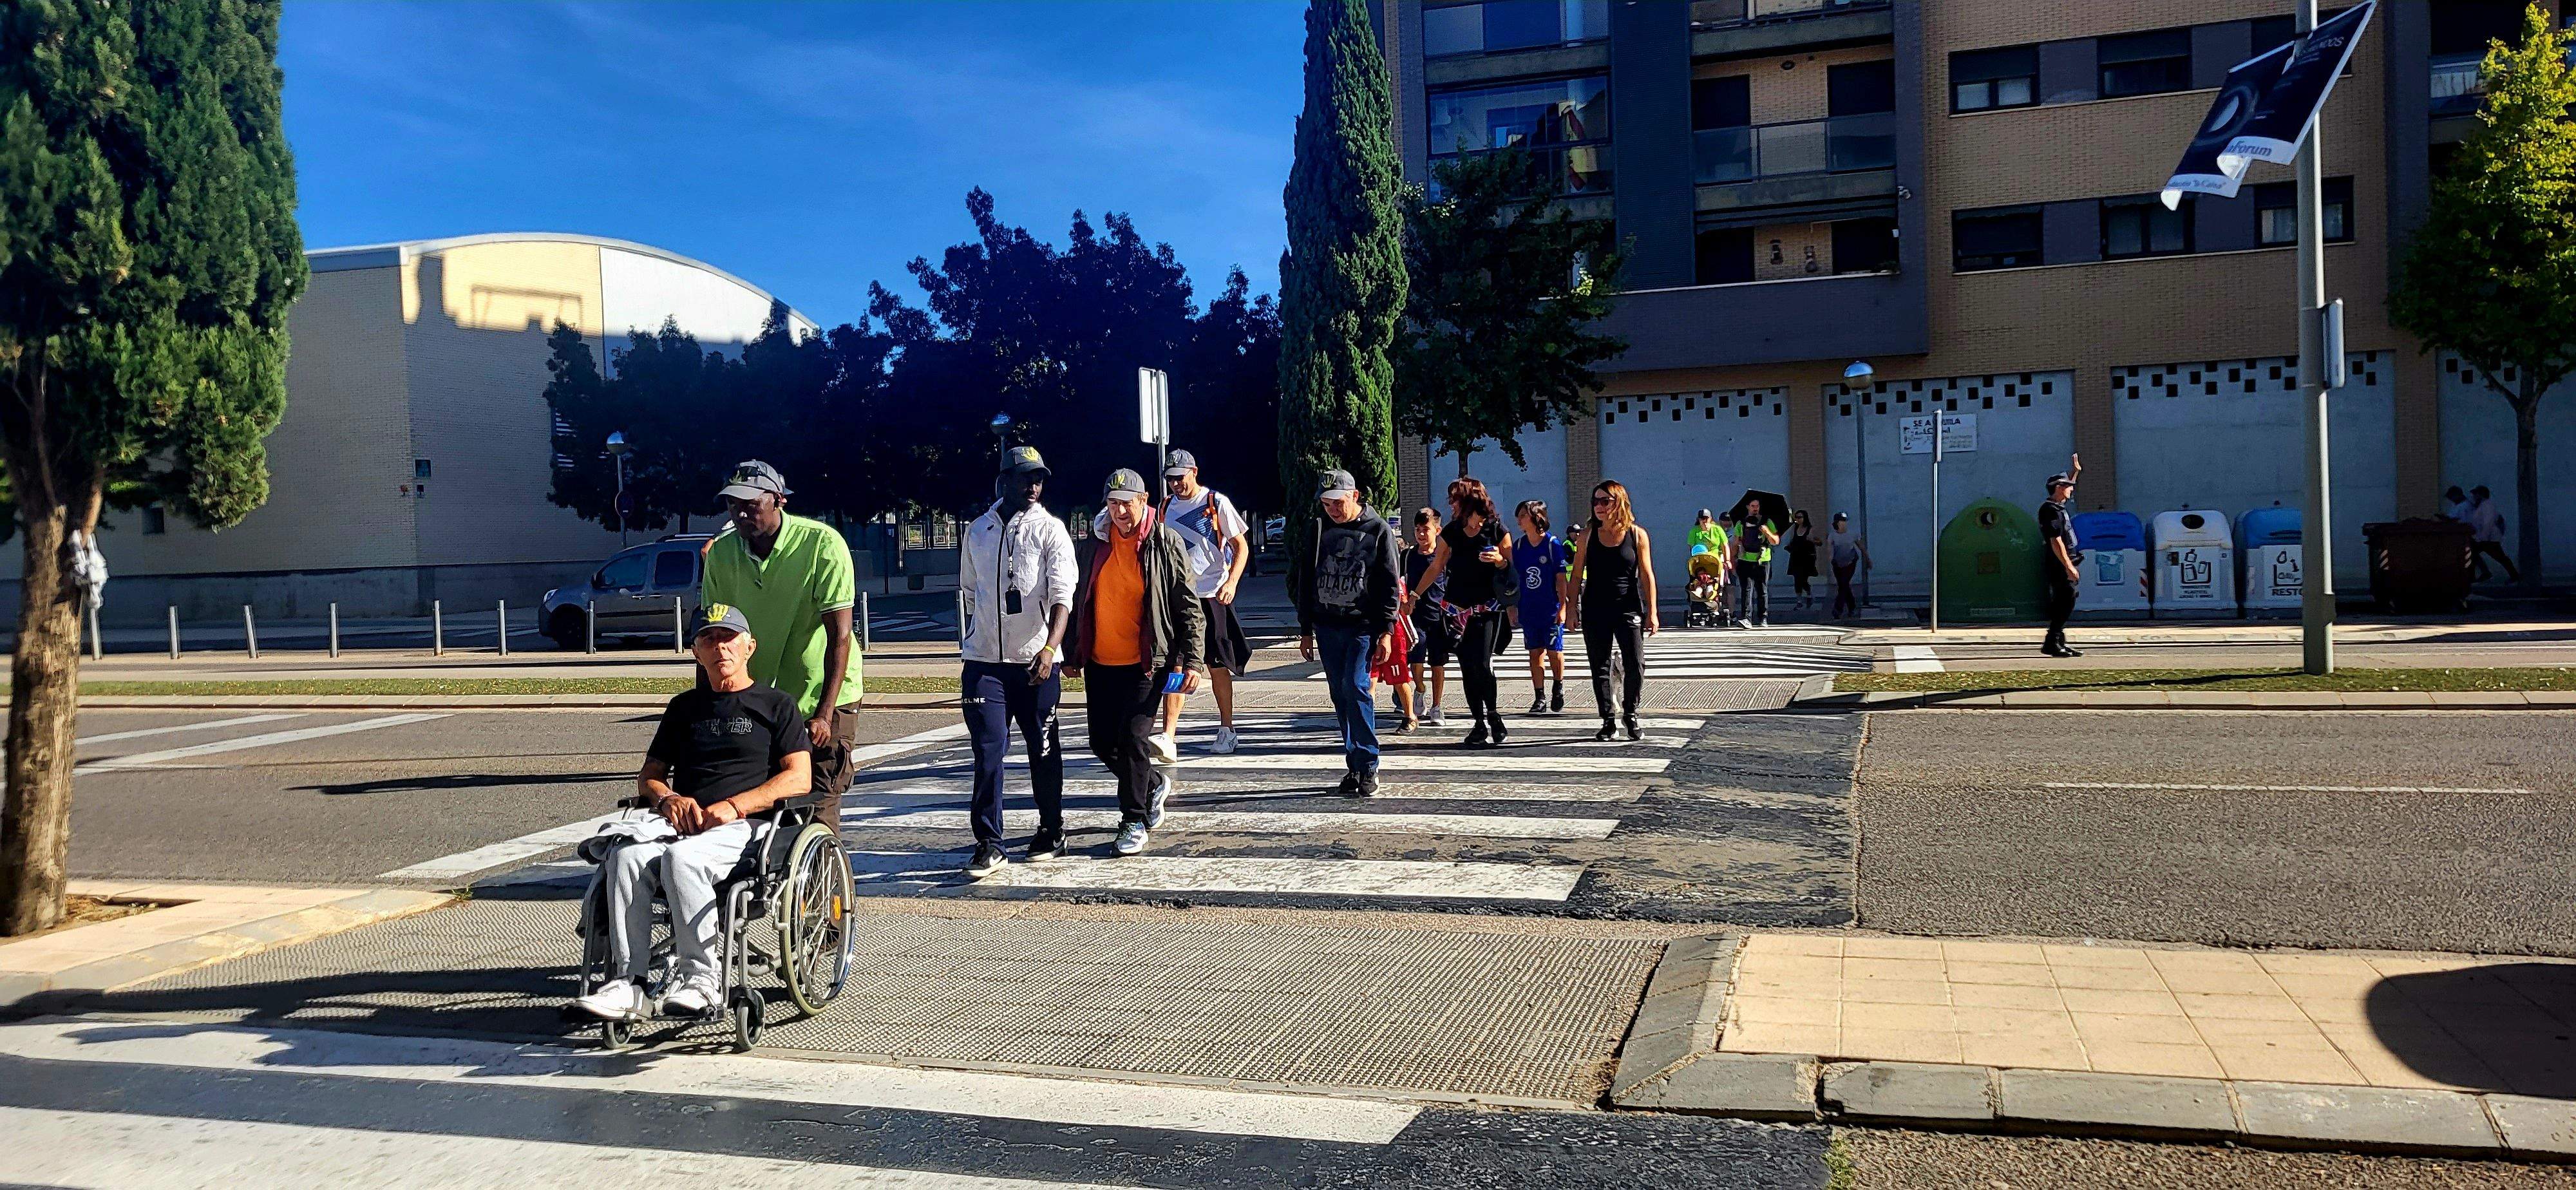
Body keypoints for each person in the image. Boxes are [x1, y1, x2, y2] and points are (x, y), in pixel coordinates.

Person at [573, 605, 811, 1023]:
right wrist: (668, 799)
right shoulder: (683, 707)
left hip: (747, 826)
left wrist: (735, 806)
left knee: (682, 859)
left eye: (729, 638)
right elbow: (649, 776)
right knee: (626, 855)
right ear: (696, 652)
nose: (720, 647)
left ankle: (702, 981)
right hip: (680, 823)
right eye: (709, 639)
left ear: (749, 647)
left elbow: (799, 778)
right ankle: (631, 985)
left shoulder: (776, 705)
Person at [701, 460, 859, 819]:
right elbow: (712, 638)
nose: (741, 513)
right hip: (761, 698)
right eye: (733, 505)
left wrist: (824, 714)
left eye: (751, 504)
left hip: (820, 692)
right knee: (758, 799)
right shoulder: (721, 554)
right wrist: (708, 707)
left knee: (817, 803)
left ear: (779, 500)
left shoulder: (822, 544)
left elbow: (839, 636)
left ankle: (823, 856)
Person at [956, 446, 1077, 878]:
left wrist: (1049, 649)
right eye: (1025, 478)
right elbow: (970, 588)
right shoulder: (979, 530)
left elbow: (1063, 597)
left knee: (1042, 749)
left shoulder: (1051, 530)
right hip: (984, 663)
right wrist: (982, 632)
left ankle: (1052, 829)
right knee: (988, 751)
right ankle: (990, 843)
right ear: (1003, 480)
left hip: (1036, 663)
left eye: (1039, 479)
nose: (1034, 486)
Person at [1070, 469, 1204, 856]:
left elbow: (1187, 604)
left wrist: (1193, 660)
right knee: (1101, 742)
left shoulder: (1164, 541)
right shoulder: (1096, 542)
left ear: (1144, 500)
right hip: (1101, 660)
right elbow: (1081, 597)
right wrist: (1074, 651)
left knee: (1133, 740)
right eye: (1113, 504)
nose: (1120, 512)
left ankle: (1133, 820)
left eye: (1127, 503)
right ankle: (1152, 785)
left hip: (1146, 661)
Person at [1296, 469, 1402, 795]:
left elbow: (1389, 584)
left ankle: (1369, 763)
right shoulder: (1318, 529)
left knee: (1356, 687)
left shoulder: (1378, 530)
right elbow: (1305, 578)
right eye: (1326, 504)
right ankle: (1354, 763)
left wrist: (1386, 631)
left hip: (1362, 626)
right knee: (1339, 694)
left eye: (1338, 503)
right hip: (1327, 625)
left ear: (1355, 496)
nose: (1333, 510)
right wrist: (1305, 628)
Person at [1147, 449, 1253, 758]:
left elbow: (1240, 546)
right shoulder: (1165, 507)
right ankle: (1168, 735)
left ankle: (1227, 728)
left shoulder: (1215, 502)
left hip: (1212, 594)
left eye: (1180, 477)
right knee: (1176, 664)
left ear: (1194, 472)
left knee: (1216, 664)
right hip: (1179, 597)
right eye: (1170, 479)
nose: (1175, 484)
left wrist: (1231, 582)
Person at [1412, 477, 1512, 748]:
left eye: (1455, 497)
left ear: (1470, 499)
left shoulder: (1496, 530)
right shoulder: (1452, 532)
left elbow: (1511, 569)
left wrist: (1499, 561)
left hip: (1487, 609)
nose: (1450, 503)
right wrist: (1415, 595)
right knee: (1467, 666)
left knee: (1482, 663)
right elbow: (1436, 566)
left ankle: (1494, 715)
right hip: (1457, 610)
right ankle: (1478, 722)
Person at [1566, 480, 1657, 742]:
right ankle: (1607, 719)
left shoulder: (1637, 535)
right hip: (1595, 608)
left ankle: (1631, 714)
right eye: (1595, 501)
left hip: (1628, 607)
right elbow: (1576, 575)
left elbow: (1647, 575)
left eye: (1605, 501)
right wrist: (1571, 609)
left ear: (1619, 503)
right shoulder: (1587, 536)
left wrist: (1652, 611)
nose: (1599, 506)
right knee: (1600, 666)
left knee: (1635, 663)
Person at [1511, 499, 1571, 715]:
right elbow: (1514, 577)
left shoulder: (1552, 544)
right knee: (1535, 652)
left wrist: (1563, 607)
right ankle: (1539, 697)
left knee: (1554, 650)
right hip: (1529, 607)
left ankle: (1558, 687)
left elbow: (1561, 578)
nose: (1519, 520)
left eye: (1523, 516)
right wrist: (1513, 606)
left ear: (1536, 518)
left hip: (1550, 607)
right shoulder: (1519, 546)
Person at [1399, 507, 1450, 729]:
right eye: (1418, 529)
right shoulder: (1408, 556)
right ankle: (1419, 689)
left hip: (1439, 616)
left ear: (1437, 530)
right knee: (1416, 661)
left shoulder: (1444, 555)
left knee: (1438, 663)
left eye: (1426, 529)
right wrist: (1403, 602)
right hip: (1415, 617)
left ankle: (1437, 706)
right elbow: (1400, 581)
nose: (1421, 534)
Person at [2038, 455, 2083, 658]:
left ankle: (2057, 641)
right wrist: (2068, 566)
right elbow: (2056, 540)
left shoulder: (2058, 507)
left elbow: (2069, 486)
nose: (2071, 489)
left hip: (2065, 562)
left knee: (2065, 600)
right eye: (2068, 486)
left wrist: (2075, 472)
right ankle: (2052, 642)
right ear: (2058, 488)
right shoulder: (2050, 510)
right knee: (2066, 601)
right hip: (2059, 564)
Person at [1732, 498, 1779, 630]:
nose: (1755, 508)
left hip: (1762, 560)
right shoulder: (1741, 523)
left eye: (1757, 506)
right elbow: (1736, 542)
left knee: (1762, 589)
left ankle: (1763, 617)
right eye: (1753, 506)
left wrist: (1767, 532)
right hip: (1745, 559)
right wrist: (1732, 560)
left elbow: (1776, 541)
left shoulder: (1767, 522)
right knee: (1746, 589)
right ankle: (1746, 618)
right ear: (1748, 507)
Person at [2468, 485, 2519, 585]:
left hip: (2488, 539)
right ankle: (2478, 576)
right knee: (2473, 554)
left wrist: (2483, 537)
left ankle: (2513, 576)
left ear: (2481, 495)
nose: (2474, 496)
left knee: (2499, 557)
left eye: (2476, 494)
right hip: (2485, 538)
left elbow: (2489, 523)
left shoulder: (2487, 506)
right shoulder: (2482, 506)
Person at [1828, 512, 1870, 619]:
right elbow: (1830, 550)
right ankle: (1852, 607)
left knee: (1844, 584)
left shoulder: (1853, 534)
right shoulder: (1833, 536)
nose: (1844, 523)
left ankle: (1838, 609)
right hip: (1837, 564)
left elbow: (1861, 547)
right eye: (1842, 521)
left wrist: (1868, 559)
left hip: (1850, 563)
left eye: (1845, 521)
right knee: (1843, 585)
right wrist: (1831, 561)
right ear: (1837, 523)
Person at [1785, 509, 1820, 614]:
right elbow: (1793, 540)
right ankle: (1799, 601)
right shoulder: (1795, 529)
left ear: (1805, 518)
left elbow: (1819, 542)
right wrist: (1789, 546)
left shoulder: (1810, 529)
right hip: (1796, 557)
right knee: (1797, 579)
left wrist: (1812, 540)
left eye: (1800, 517)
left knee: (1803, 579)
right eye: (1796, 518)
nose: (1798, 520)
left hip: (1807, 557)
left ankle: (1809, 594)